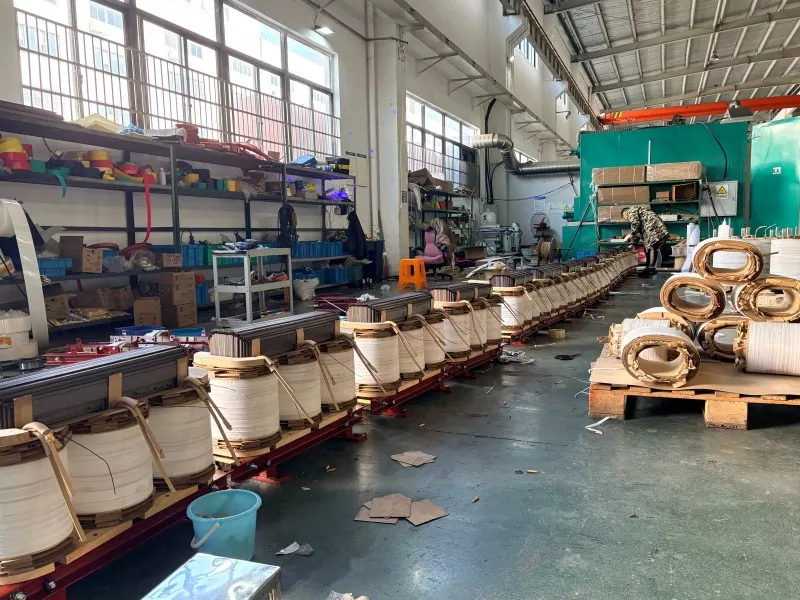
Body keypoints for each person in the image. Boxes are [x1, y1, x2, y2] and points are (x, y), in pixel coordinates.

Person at [622, 205, 669, 275]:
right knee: (651, 248)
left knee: (652, 247)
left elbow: (635, 224)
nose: (628, 220)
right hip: (656, 228)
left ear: (625, 214)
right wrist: (633, 244)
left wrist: (631, 234)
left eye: (626, 218)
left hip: (652, 227)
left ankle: (650, 268)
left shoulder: (631, 211)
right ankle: (649, 267)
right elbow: (637, 232)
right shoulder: (639, 214)